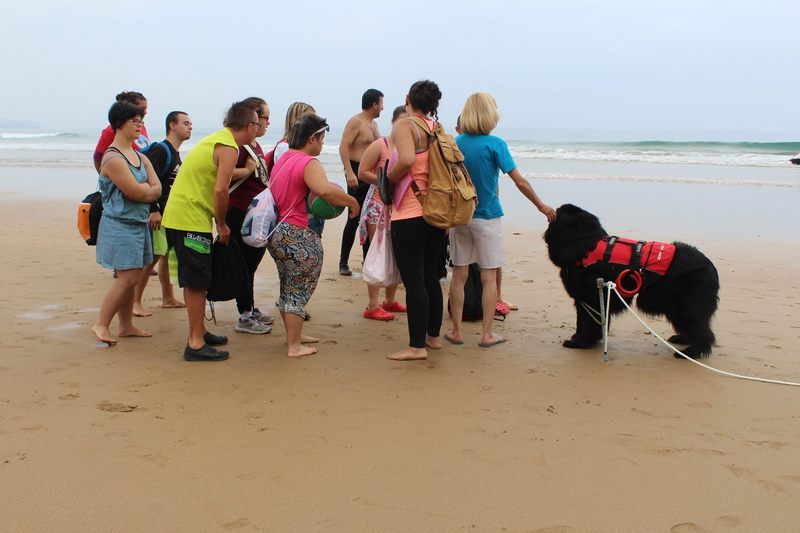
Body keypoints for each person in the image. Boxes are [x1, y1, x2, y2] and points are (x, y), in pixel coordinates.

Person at [446, 92, 556, 347]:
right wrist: (540, 205)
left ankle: (456, 332)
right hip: (487, 217)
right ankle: (486, 334)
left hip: (461, 216)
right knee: (488, 276)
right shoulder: (496, 144)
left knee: (459, 275)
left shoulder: (455, 142)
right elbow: (519, 181)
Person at [161, 101, 261, 362]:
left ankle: (200, 331)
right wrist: (222, 224)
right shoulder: (228, 146)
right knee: (197, 281)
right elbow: (220, 189)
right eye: (258, 125)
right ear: (250, 126)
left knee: (197, 278)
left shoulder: (218, 139)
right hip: (189, 218)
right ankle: (194, 343)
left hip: (182, 216)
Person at [268, 114, 359, 358]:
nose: (322, 144)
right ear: (312, 138)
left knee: (288, 287)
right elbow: (324, 190)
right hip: (298, 232)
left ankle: (294, 336)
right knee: (298, 289)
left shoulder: (284, 158)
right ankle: (294, 346)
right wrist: (352, 201)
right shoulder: (309, 163)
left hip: (277, 233)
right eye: (321, 139)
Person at [384, 80, 447, 361]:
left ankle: (416, 347)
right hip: (436, 212)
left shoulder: (405, 125)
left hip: (409, 214)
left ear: (408, 98)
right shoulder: (437, 129)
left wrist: (389, 177)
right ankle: (433, 338)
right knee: (432, 277)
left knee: (415, 281)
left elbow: (407, 159)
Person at [92, 101, 162, 346]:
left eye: (141, 120)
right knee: (127, 278)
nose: (140, 125)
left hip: (138, 223)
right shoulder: (112, 158)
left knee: (131, 276)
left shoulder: (140, 156)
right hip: (120, 226)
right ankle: (101, 323)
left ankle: (125, 325)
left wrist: (147, 191)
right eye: (135, 121)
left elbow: (157, 188)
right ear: (120, 123)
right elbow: (139, 192)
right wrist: (146, 190)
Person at [131, 111, 192, 317]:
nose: (190, 127)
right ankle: (135, 302)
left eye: (190, 123)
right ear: (172, 125)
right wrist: (153, 209)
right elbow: (145, 180)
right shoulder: (161, 150)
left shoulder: (175, 153)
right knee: (153, 257)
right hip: (157, 214)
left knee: (165, 255)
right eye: (185, 123)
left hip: (169, 214)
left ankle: (167, 297)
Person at [226, 97, 273, 334]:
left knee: (251, 264)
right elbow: (222, 172)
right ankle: (244, 316)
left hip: (255, 213)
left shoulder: (254, 145)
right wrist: (246, 170)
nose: (267, 123)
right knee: (244, 264)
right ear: (252, 119)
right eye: (265, 118)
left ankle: (250, 308)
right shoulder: (240, 145)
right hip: (240, 212)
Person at [356, 105, 408, 321]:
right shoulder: (380, 145)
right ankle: (372, 305)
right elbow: (362, 172)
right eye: (401, 121)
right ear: (394, 122)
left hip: (398, 207)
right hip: (377, 205)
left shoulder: (409, 147)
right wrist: (384, 180)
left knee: (396, 252)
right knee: (376, 253)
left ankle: (390, 300)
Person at [338, 88, 383, 276]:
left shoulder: (373, 125)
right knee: (354, 217)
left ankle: (368, 260)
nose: (382, 107)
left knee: (369, 217)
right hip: (357, 172)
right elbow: (343, 147)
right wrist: (349, 172)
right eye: (381, 103)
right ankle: (343, 262)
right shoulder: (356, 122)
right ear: (373, 104)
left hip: (370, 174)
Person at [271, 102, 323, 238]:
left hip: (307, 210)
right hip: (298, 213)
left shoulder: (300, 148)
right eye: (309, 117)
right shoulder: (285, 147)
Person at [93, 91, 150, 172]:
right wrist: (108, 179)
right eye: (142, 108)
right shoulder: (111, 130)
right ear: (130, 107)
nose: (145, 112)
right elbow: (97, 157)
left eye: (146, 108)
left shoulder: (141, 127)